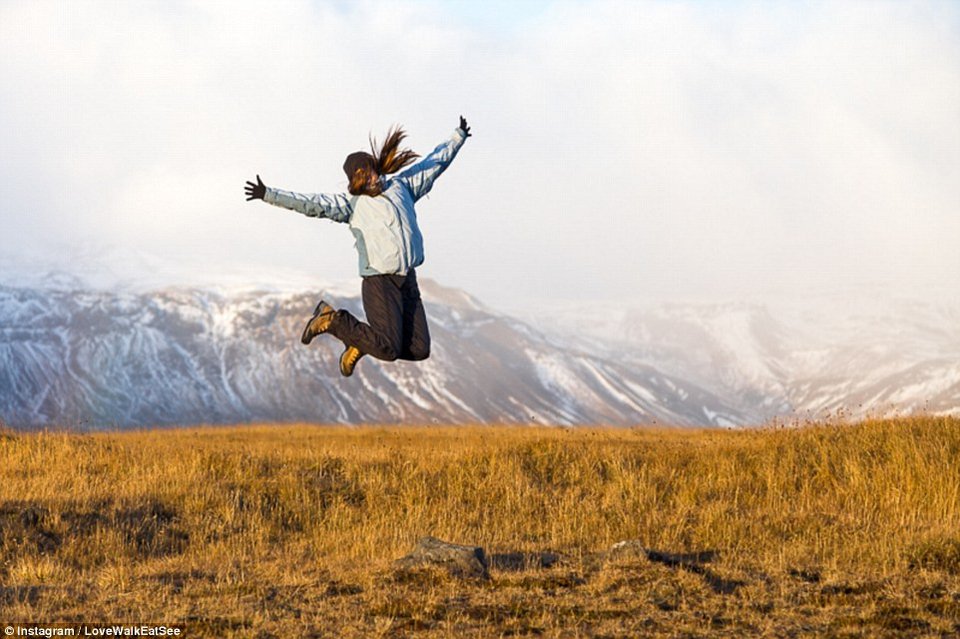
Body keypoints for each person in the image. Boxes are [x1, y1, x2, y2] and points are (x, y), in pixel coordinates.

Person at [244, 116, 471, 377]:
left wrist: (458, 137)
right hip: (380, 281)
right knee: (387, 349)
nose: (371, 176)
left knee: (420, 349)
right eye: (363, 174)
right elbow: (310, 204)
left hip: (408, 279)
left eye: (371, 169)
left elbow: (433, 164)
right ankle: (333, 320)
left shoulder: (403, 187)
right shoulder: (352, 205)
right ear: (356, 179)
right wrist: (268, 194)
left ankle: (359, 341)